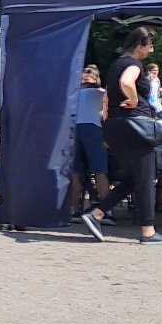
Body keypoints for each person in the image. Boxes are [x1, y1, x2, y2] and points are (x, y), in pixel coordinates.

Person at [82, 26, 162, 245]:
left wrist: (106, 123)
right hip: (135, 127)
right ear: (140, 45)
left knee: (134, 178)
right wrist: (133, 99)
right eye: (150, 46)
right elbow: (126, 82)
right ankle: (148, 231)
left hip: (116, 126)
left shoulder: (115, 65)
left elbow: (105, 102)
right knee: (146, 179)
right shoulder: (133, 65)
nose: (151, 51)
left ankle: (97, 214)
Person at [67, 65, 110, 219]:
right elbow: (106, 113)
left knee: (76, 171)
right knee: (100, 169)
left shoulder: (73, 94)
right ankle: (106, 209)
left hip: (74, 130)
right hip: (93, 128)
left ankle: (74, 209)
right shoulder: (100, 93)